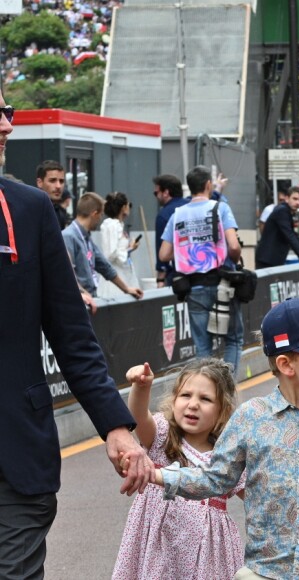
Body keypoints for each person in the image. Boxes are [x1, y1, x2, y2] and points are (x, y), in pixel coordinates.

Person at [0, 93, 153, 578]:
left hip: (16, 463)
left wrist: (115, 426)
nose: (7, 126)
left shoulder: (29, 209)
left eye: (7, 113)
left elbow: (72, 335)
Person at [124, 297, 299, 580]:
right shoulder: (250, 418)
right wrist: (158, 476)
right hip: (267, 572)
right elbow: (214, 479)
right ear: (286, 364)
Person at [112, 358, 245, 580]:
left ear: (223, 411)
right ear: (173, 401)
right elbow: (138, 416)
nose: (193, 404)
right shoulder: (161, 436)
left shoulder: (228, 455)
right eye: (185, 395)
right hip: (158, 545)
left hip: (207, 555)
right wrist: (141, 387)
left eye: (205, 399)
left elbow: (257, 499)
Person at [159, 165, 244, 373]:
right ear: (208, 185)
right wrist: (235, 256)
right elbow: (233, 246)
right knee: (233, 339)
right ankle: (227, 390)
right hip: (222, 285)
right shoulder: (220, 208)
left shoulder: (177, 214)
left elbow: (164, 255)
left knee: (203, 348)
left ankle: (207, 392)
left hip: (193, 288)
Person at [62, 192, 144, 299]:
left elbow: (105, 267)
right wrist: (81, 293)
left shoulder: (86, 238)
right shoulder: (68, 237)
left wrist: (126, 289)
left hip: (90, 298)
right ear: (94, 214)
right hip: (78, 301)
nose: (100, 220)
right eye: (100, 215)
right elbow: (66, 274)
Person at [255, 185, 299, 269]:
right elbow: (289, 235)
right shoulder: (282, 210)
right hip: (268, 260)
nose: (298, 203)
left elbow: (293, 235)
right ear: (287, 198)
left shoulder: (286, 211)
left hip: (272, 259)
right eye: (295, 199)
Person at [99, 191, 141, 299]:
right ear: (123, 207)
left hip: (122, 272)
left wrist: (130, 248)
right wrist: (130, 249)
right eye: (128, 205)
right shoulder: (112, 225)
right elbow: (111, 253)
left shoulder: (117, 225)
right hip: (116, 274)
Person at [153, 174, 187, 288]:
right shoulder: (192, 205)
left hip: (178, 274)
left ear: (166, 192)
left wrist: (160, 279)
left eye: (156, 193)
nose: (156, 197)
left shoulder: (164, 215)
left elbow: (162, 251)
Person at [36, 159, 68, 230]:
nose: (58, 186)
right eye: (52, 180)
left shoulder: (60, 212)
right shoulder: (32, 211)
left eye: (61, 181)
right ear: (40, 182)